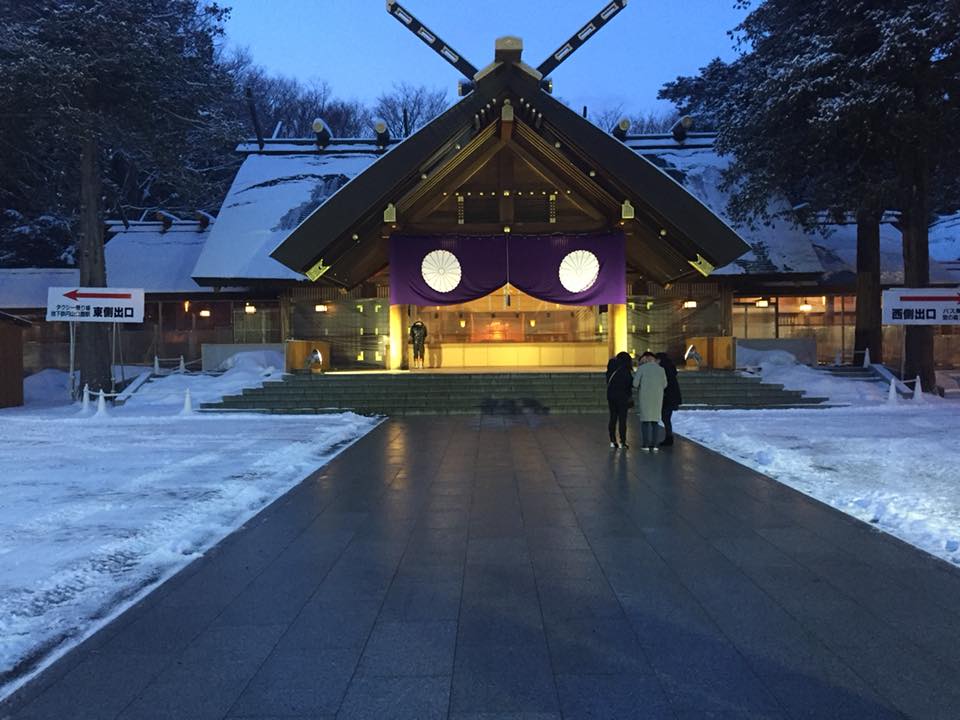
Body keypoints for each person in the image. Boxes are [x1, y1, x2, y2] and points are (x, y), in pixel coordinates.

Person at [633, 351, 667, 451]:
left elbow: (635, 383)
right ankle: (655, 444)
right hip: (657, 397)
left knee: (645, 421)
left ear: (646, 359)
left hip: (645, 397)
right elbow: (665, 384)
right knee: (655, 421)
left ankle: (645, 444)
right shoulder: (661, 369)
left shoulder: (642, 368)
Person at [605, 351, 634, 449]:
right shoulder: (625, 370)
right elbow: (629, 383)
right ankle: (623, 441)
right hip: (623, 396)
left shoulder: (611, 368)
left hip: (611, 396)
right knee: (622, 419)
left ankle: (612, 440)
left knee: (613, 417)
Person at [656, 352, 682, 446]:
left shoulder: (663, 369)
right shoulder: (670, 367)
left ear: (660, 359)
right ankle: (669, 437)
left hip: (668, 397)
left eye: (657, 360)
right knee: (667, 418)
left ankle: (669, 438)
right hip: (672, 397)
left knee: (665, 417)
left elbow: (664, 384)